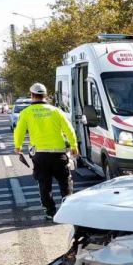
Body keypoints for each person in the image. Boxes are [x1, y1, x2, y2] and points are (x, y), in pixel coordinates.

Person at [13, 82, 78, 221]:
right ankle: (68, 210)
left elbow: (19, 131)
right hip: (58, 154)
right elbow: (69, 129)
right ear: (45, 96)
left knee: (44, 184)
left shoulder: (25, 113)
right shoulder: (56, 111)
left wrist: (17, 147)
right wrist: (73, 146)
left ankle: (50, 212)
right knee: (65, 182)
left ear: (32, 95)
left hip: (40, 155)